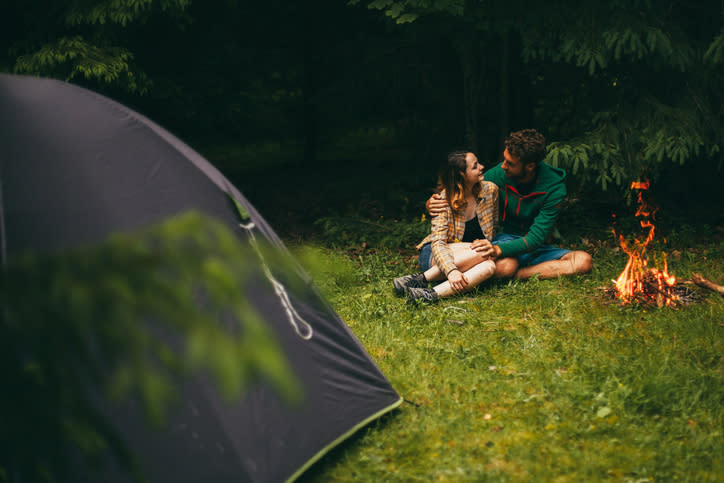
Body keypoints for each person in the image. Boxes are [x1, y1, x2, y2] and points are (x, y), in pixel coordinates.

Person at [427, 129, 592, 279]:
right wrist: (433, 202)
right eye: (504, 159)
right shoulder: (500, 173)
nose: (503, 166)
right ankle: (511, 271)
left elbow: (536, 237)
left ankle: (517, 274)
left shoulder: (554, 187)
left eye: (510, 163)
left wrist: (498, 251)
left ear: (530, 166)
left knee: (583, 261)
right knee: (507, 265)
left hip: (533, 244)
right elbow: (462, 186)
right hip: (504, 239)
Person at [393, 150, 499, 303]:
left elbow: (493, 226)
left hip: (471, 254)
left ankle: (427, 294)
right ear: (462, 175)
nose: (482, 167)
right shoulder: (443, 199)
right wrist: (451, 270)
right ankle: (425, 277)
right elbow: (438, 242)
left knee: (489, 266)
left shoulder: (490, 190)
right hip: (436, 253)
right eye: (475, 166)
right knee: (484, 252)